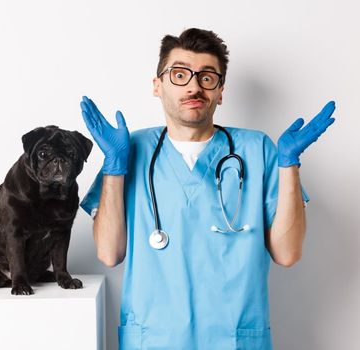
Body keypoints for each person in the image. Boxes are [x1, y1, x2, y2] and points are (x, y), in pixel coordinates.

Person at [79, 28, 335, 349]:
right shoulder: (129, 150)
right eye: (180, 74)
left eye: (207, 77)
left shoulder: (259, 150)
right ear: (157, 85)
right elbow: (108, 252)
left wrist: (289, 164)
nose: (194, 86)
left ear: (221, 90)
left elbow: (287, 253)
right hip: (154, 339)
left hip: (234, 339)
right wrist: (115, 166)